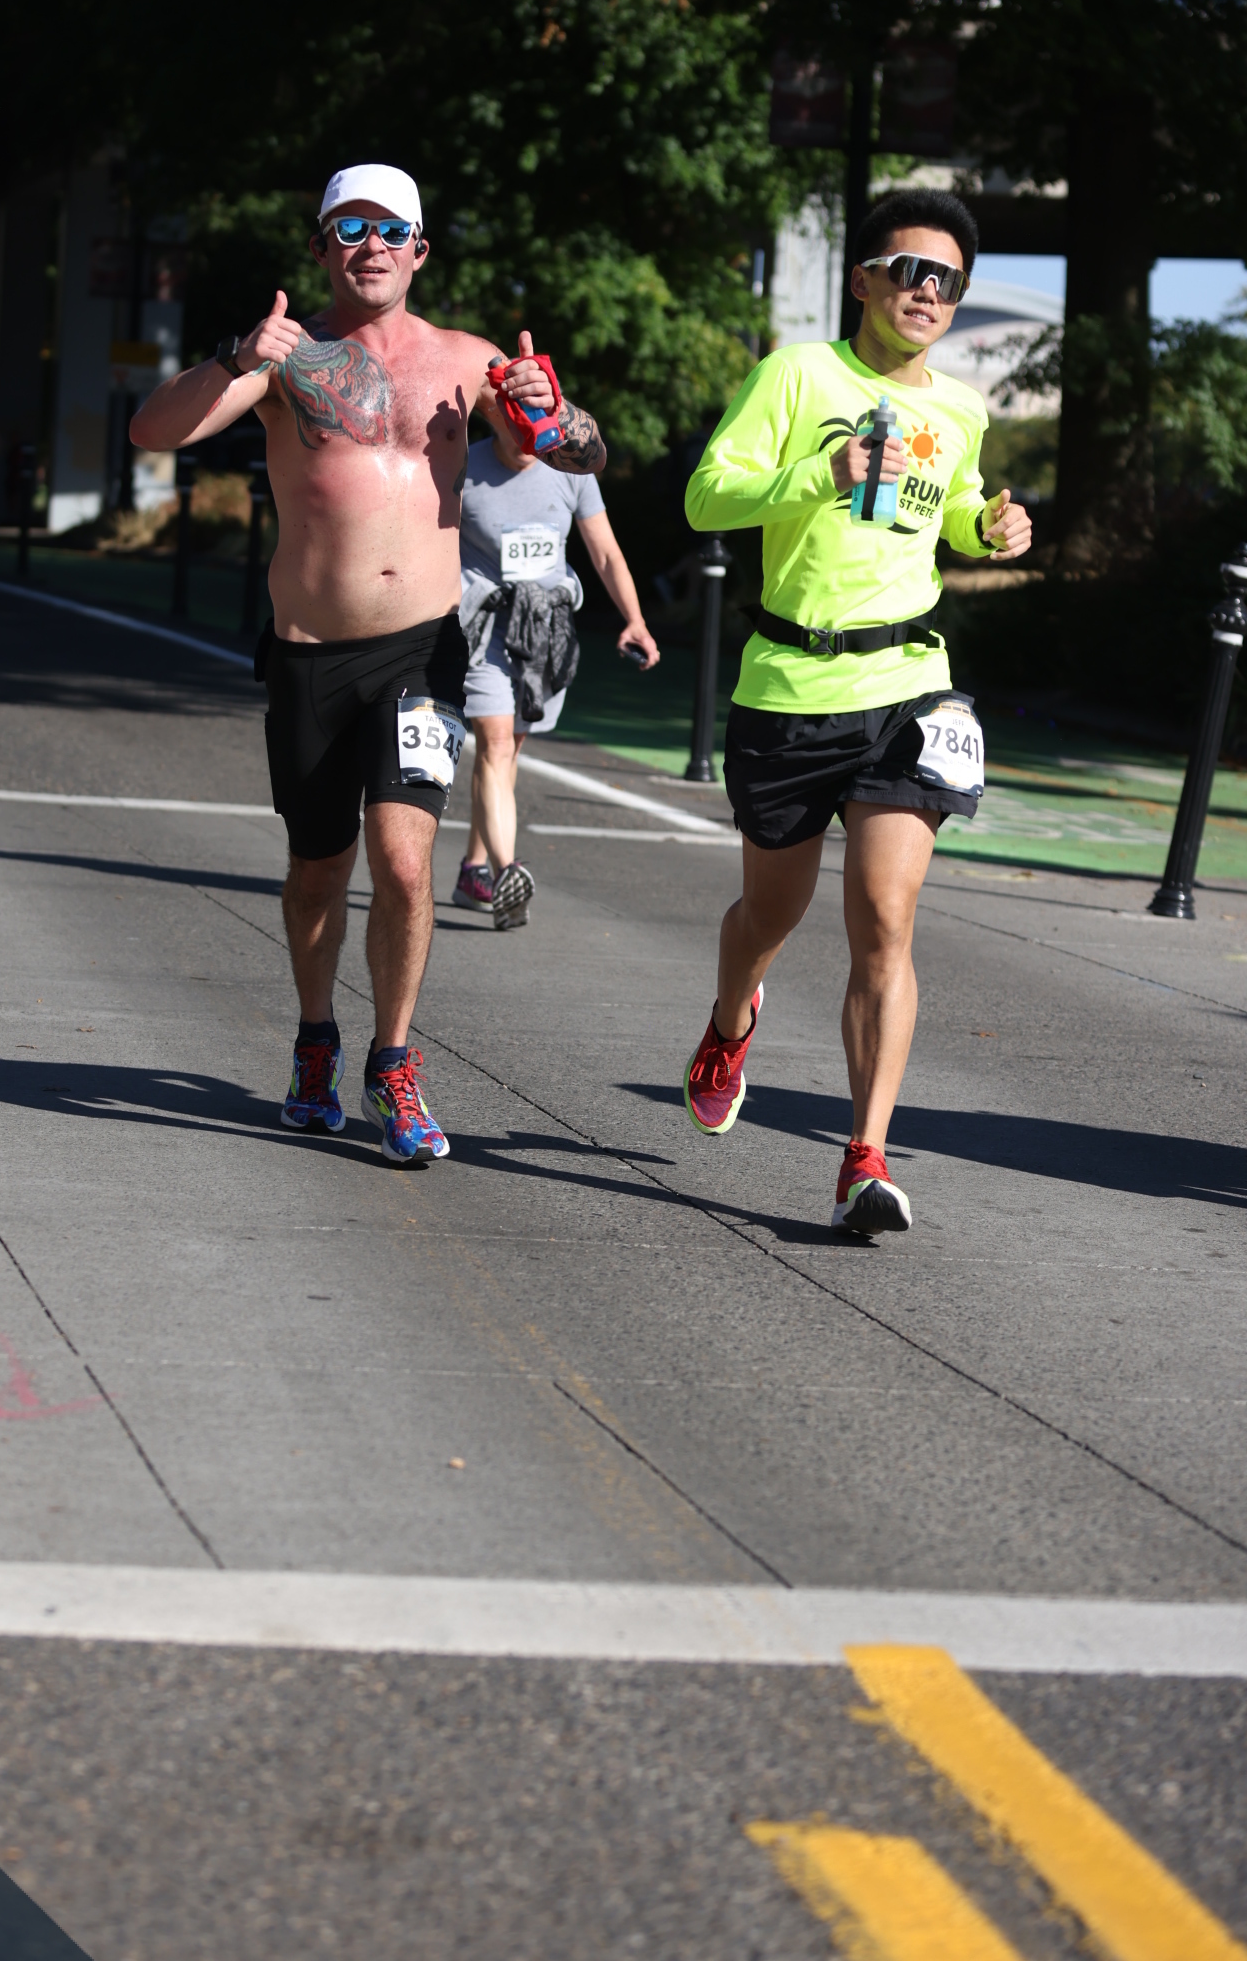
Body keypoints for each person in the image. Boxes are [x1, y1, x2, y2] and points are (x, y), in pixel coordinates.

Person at [130, 163, 607, 1164]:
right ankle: (316, 1042)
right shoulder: (284, 358)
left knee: (403, 862)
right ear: (321, 248)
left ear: (419, 250)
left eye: (391, 228)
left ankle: (393, 1063)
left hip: (421, 653)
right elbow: (151, 432)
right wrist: (232, 356)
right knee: (318, 869)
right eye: (350, 228)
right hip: (309, 656)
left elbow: (579, 456)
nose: (372, 244)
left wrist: (551, 408)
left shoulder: (469, 360)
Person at [680, 189, 1032, 1236]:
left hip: (910, 686)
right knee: (769, 917)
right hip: (789, 688)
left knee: (885, 916)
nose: (929, 293)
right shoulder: (796, 375)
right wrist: (819, 471)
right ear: (864, 281)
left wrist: (987, 524)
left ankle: (863, 1161)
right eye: (911, 272)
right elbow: (706, 497)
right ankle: (730, 1020)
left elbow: (952, 508)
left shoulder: (959, 409)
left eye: (949, 282)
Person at [454, 402, 659, 928]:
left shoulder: (570, 468)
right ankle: (507, 873)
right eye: (517, 429)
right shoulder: (462, 467)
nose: (530, 442)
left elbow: (605, 553)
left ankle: (473, 868)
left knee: (508, 750)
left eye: (537, 431)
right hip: (485, 626)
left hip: (547, 629)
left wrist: (634, 619)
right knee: (496, 743)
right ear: (493, 419)